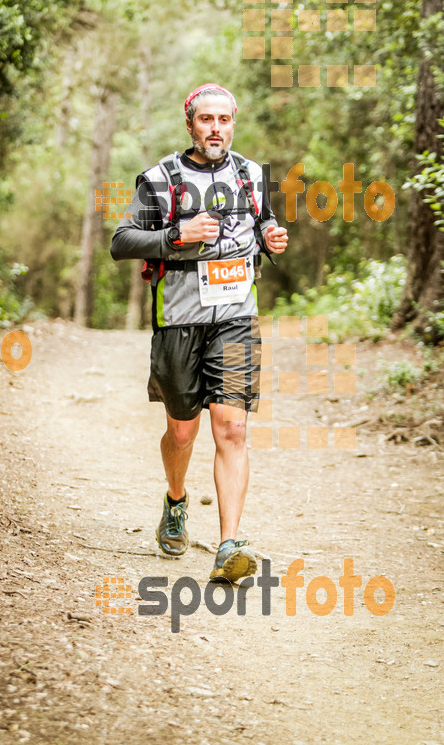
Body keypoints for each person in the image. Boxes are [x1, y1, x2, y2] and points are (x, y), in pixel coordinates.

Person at [110, 83, 288, 582]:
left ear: (234, 123)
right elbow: (121, 242)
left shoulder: (253, 176)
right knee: (181, 430)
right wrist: (174, 237)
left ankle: (229, 544)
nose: (215, 128)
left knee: (232, 428)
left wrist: (273, 239)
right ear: (190, 124)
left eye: (224, 120)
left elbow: (263, 230)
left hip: (235, 317)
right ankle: (175, 500)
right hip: (179, 320)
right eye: (206, 119)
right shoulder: (160, 178)